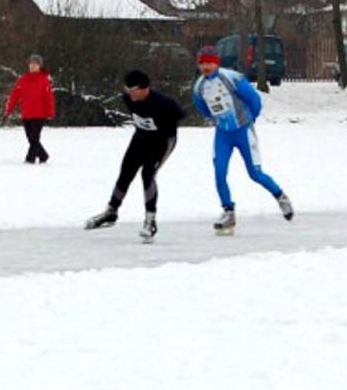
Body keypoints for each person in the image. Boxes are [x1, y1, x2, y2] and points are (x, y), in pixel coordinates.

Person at [192, 45, 293, 235]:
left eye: (209, 63)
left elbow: (254, 99)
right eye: (202, 63)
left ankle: (280, 196)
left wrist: (250, 118)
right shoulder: (200, 86)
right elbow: (202, 107)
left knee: (254, 173)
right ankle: (228, 211)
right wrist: (217, 120)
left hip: (243, 131)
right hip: (223, 134)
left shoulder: (231, 78)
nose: (205, 67)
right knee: (219, 173)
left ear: (216, 63)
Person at [85, 70, 185, 243]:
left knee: (147, 174)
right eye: (127, 89)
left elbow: (180, 113)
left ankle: (150, 221)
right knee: (126, 171)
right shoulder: (128, 99)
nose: (128, 93)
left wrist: (166, 124)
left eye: (132, 89)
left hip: (162, 142)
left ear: (144, 88)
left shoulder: (164, 103)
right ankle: (111, 211)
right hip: (140, 138)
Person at [4, 54, 55, 164]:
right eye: (31, 64)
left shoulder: (44, 80)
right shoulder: (23, 79)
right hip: (26, 114)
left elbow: (49, 97)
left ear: (40, 66)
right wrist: (9, 108)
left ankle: (29, 160)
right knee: (31, 138)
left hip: (39, 114)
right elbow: (15, 95)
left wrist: (50, 111)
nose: (32, 66)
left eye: (35, 64)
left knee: (34, 138)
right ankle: (43, 155)